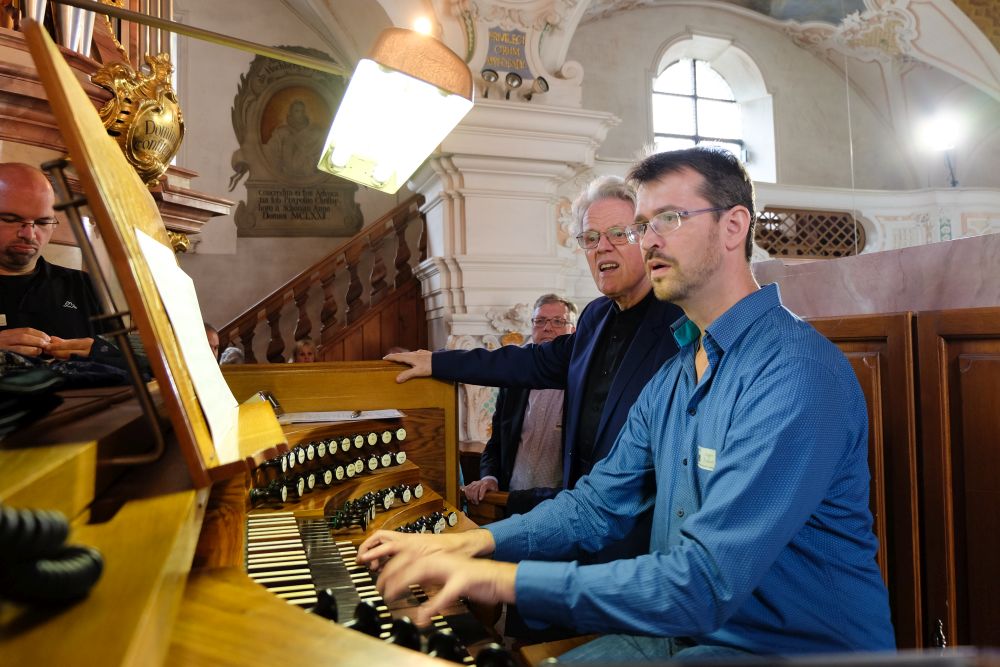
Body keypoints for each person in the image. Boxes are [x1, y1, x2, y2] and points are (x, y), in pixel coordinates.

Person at [359, 147, 895, 660]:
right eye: (643, 225)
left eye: (669, 219)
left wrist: (500, 578)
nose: (649, 240)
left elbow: (703, 583)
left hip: (788, 650)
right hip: (682, 636)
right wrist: (471, 543)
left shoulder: (794, 372)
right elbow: (595, 505)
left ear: (734, 226)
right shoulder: (676, 374)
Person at [385, 175, 683, 561]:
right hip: (579, 523)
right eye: (591, 238)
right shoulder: (595, 318)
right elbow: (528, 361)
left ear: (645, 237)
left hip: (642, 540)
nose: (602, 247)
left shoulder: (678, 320)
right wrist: (438, 361)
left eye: (618, 233)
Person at [462, 294, 577, 508]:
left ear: (573, 330)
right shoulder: (514, 382)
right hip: (510, 501)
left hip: (560, 507)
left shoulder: (582, 383)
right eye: (540, 321)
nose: (547, 328)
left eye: (558, 321)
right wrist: (490, 477)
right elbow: (496, 443)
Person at [0, 163, 108, 360]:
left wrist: (104, 354)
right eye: (10, 219)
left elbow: (127, 359)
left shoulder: (84, 286)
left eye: (42, 222)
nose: (29, 234)